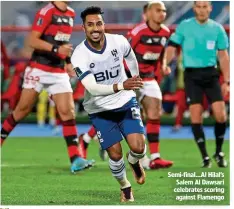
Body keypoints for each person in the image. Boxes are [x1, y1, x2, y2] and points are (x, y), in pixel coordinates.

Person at [0, 1, 94, 172]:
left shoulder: (71, 13)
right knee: (22, 110)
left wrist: (66, 62)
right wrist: (57, 50)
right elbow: (32, 41)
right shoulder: (47, 11)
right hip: (39, 69)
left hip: (58, 71)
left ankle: (75, 159)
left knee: (68, 111)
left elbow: (63, 42)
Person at [71, 6, 147, 202]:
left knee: (138, 147)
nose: (95, 28)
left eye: (98, 23)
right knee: (114, 154)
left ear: (103, 25)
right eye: (90, 25)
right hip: (100, 109)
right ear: (83, 28)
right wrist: (123, 83)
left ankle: (134, 162)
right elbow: (93, 88)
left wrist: (135, 78)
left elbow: (130, 56)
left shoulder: (119, 41)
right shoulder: (79, 55)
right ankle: (125, 186)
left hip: (124, 101)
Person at [163, 1, 229, 167]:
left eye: (204, 6)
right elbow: (172, 46)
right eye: (198, 7)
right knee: (196, 115)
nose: (201, 10)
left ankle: (219, 152)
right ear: (194, 9)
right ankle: (205, 156)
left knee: (221, 115)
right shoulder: (184, 26)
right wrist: (164, 63)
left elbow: (223, 56)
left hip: (211, 75)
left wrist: (227, 81)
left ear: (210, 8)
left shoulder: (217, 29)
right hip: (191, 76)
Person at [127, 1, 173, 169]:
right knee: (123, 118)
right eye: (159, 10)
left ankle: (155, 157)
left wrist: (163, 65)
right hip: (132, 79)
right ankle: (87, 139)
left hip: (150, 78)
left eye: (164, 11)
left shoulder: (165, 32)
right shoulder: (138, 31)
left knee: (154, 113)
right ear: (149, 13)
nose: (162, 13)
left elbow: (161, 53)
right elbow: (123, 54)